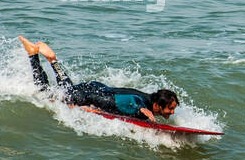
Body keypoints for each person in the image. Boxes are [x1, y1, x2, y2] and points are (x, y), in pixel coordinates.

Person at [19, 37, 178, 121]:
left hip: (96, 89)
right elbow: (131, 99)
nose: (172, 112)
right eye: (170, 109)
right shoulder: (142, 104)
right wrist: (140, 110)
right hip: (88, 96)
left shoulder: (148, 98)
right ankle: (33, 54)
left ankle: (53, 60)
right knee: (45, 93)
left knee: (67, 89)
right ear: (157, 105)